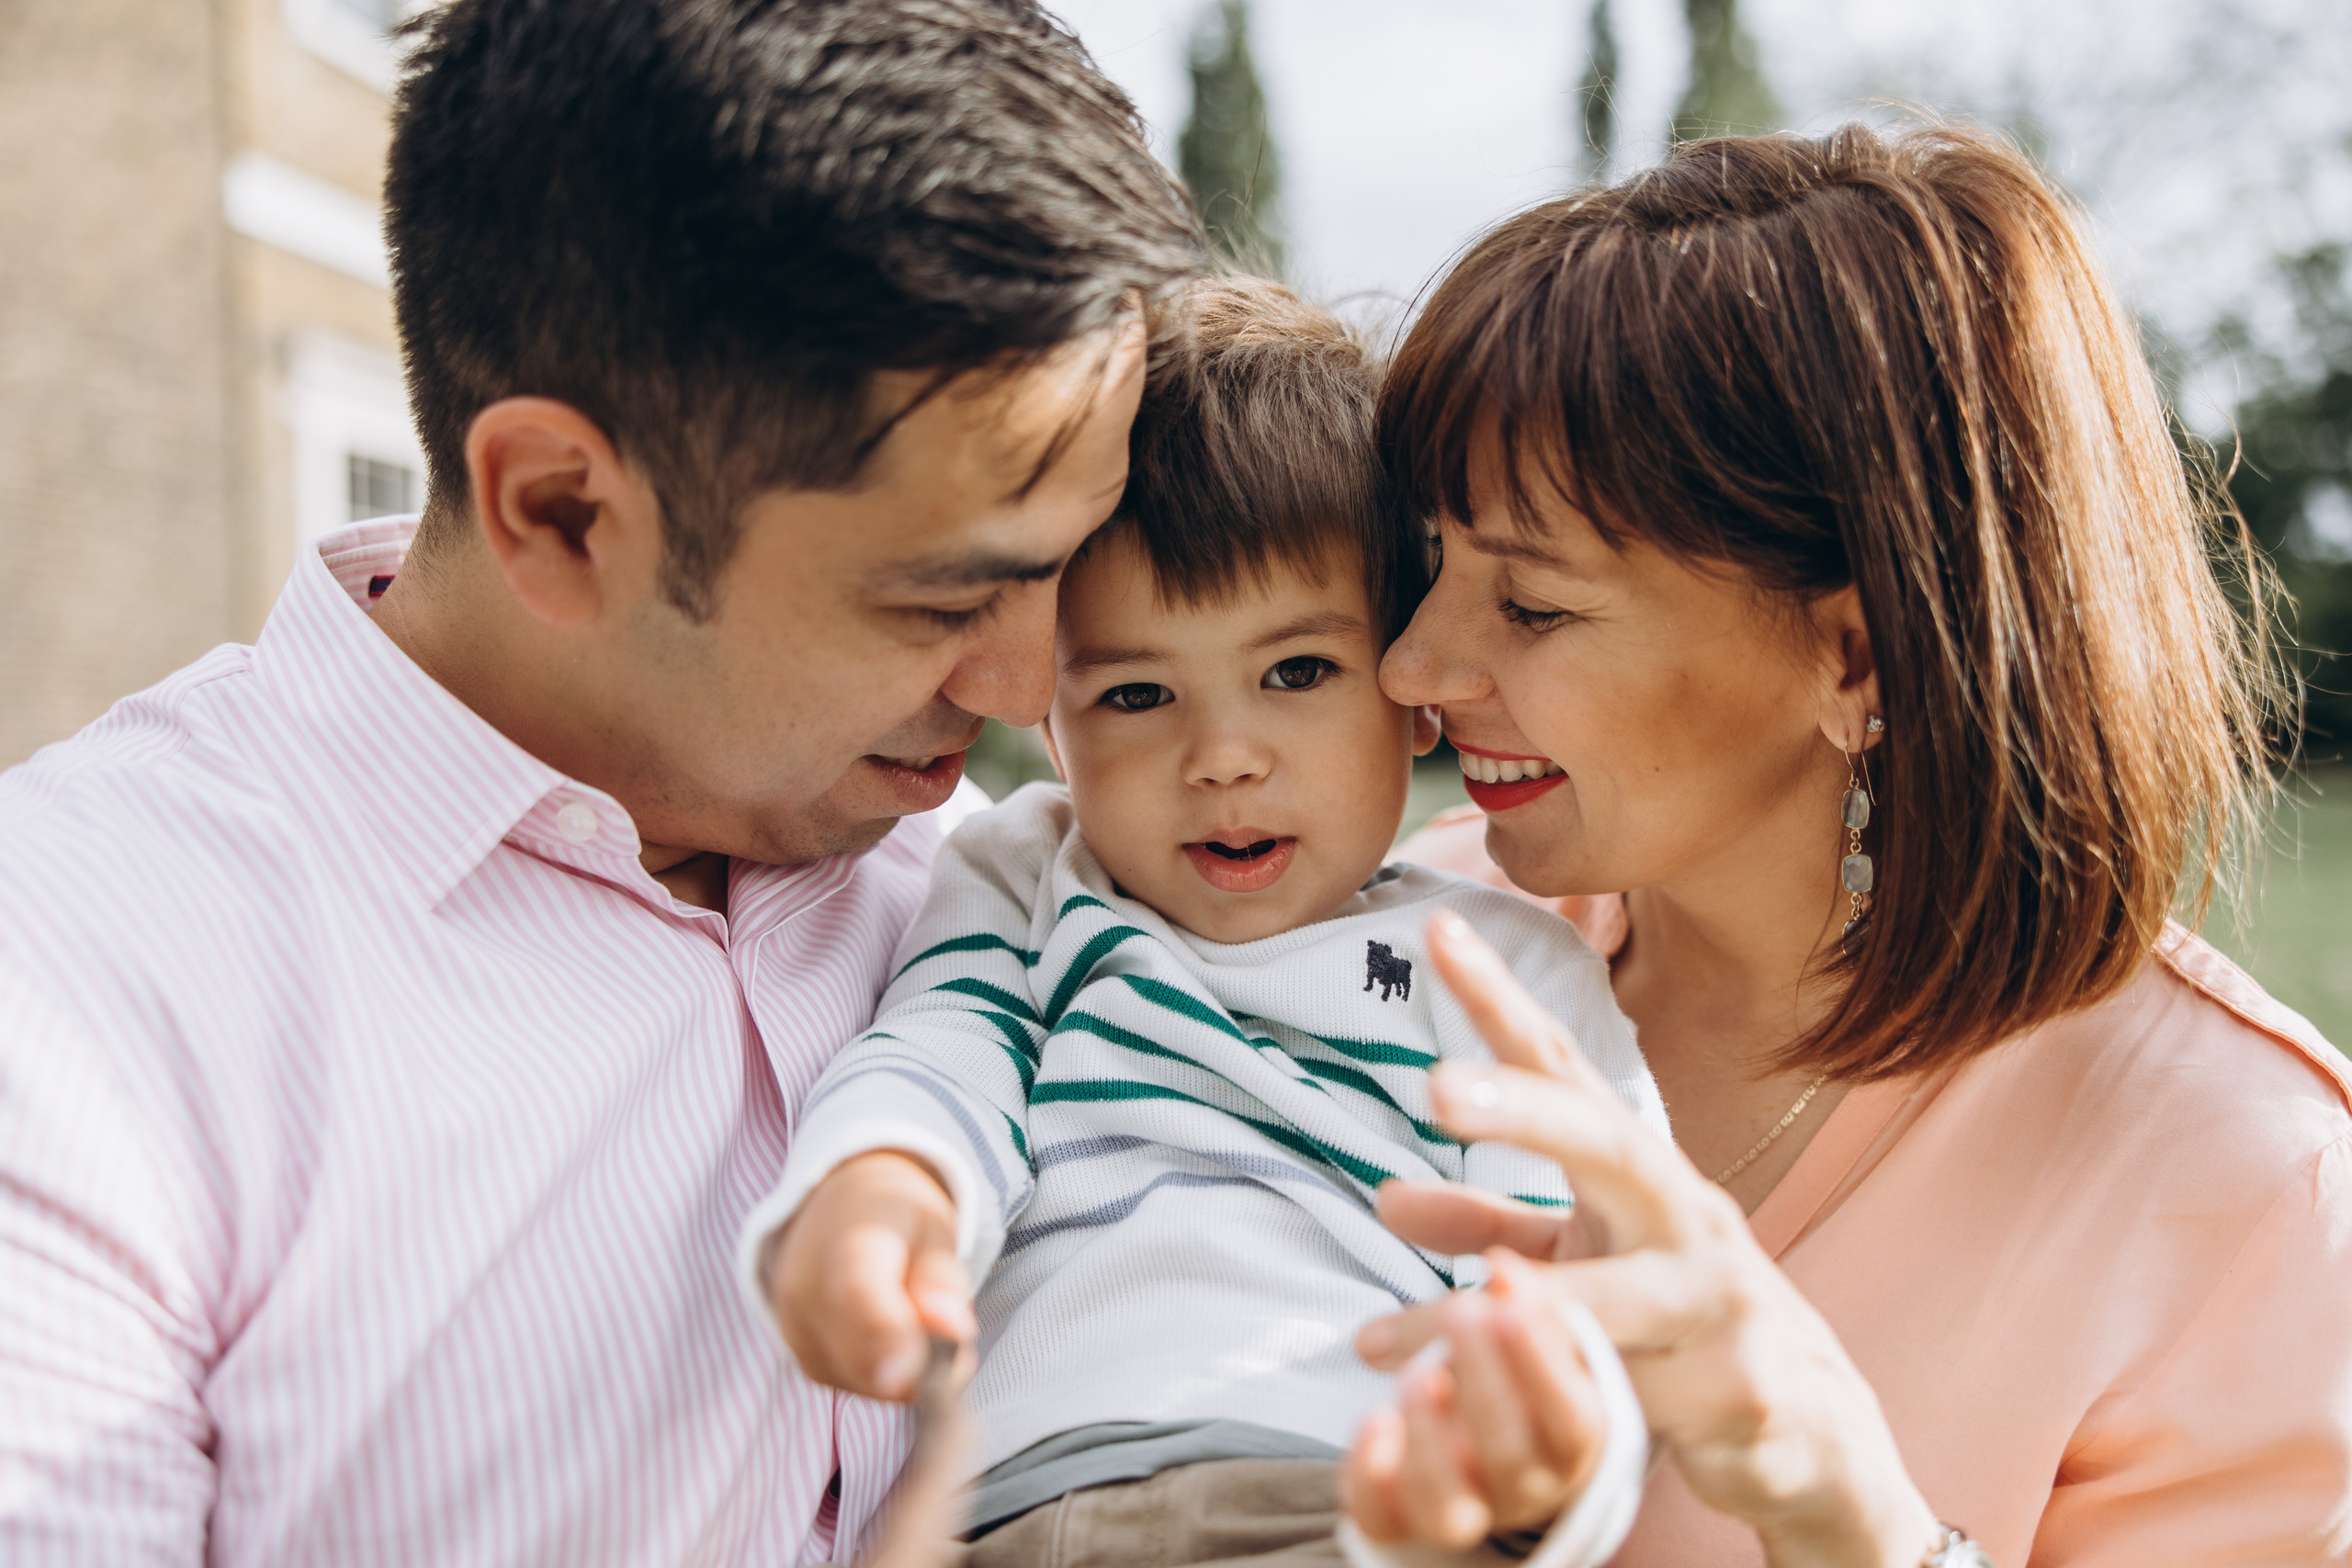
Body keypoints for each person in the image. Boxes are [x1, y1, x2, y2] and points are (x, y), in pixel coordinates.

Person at [0, 1, 1201, 1561]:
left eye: (1068, 568)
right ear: (563, 513)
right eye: (941, 599)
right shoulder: (67, 998)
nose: (1026, 688)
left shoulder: (1027, 885)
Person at [1330, 122, 2352, 1565]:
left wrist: (1843, 1510)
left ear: (1858, 658)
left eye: (1535, 606)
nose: (1413, 666)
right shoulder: (1395, 932)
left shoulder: (2238, 1183)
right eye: (1433, 564)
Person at [756, 278, 1661, 1568]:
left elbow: (1581, 1270)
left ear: (1410, 684)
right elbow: (937, 1051)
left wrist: (1548, 1447)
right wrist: (883, 1184)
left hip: (1349, 1501)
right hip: (1012, 1512)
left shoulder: (1504, 969)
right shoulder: (1030, 880)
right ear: (1049, 720)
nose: (1223, 756)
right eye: (1135, 693)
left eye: (1297, 673)